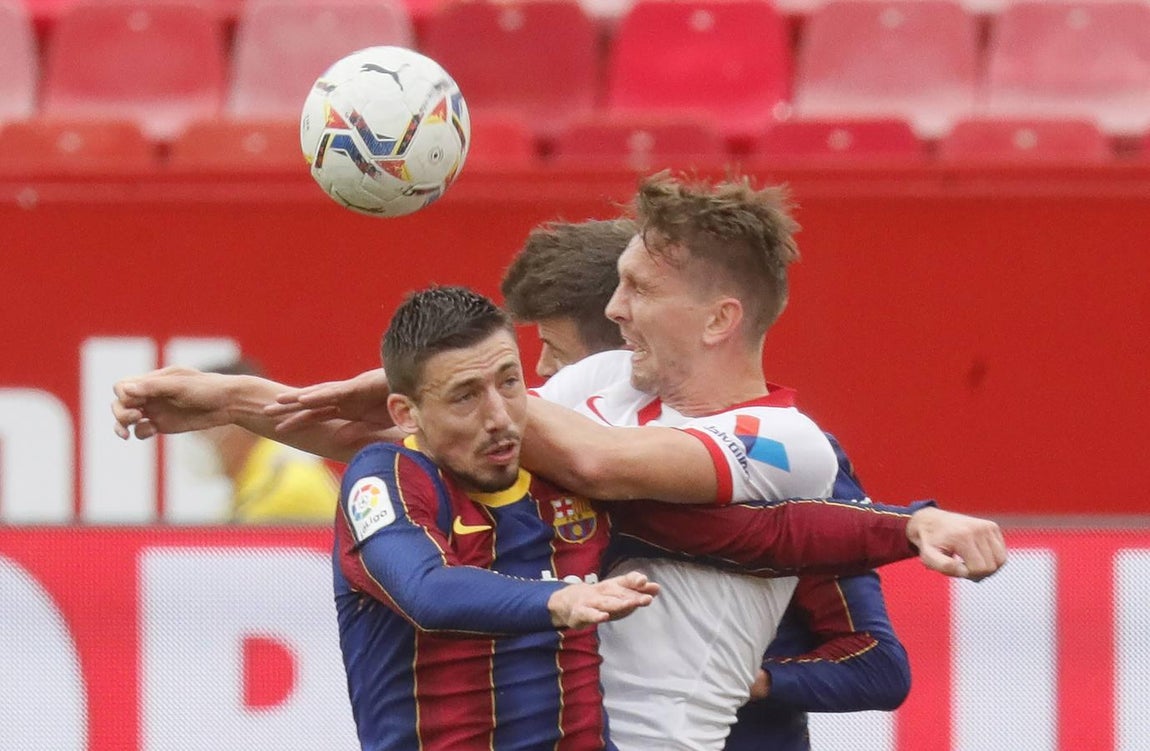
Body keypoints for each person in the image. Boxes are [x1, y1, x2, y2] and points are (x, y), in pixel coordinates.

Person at [111, 178, 1006, 750]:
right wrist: (244, 402)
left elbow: (618, 475)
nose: (612, 309)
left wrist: (911, 520)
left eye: (639, 290)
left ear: (718, 319)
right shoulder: (600, 380)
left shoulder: (787, 442)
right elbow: (444, 440)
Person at [500, 218, 911, 750]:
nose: (540, 373)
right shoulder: (589, 416)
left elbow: (877, 663)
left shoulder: (789, 458)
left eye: (554, 348)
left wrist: (748, 681)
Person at [197, 358, 338, 524]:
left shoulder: (282, 489)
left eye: (203, 425)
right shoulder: (257, 482)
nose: (198, 436)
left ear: (235, 422)